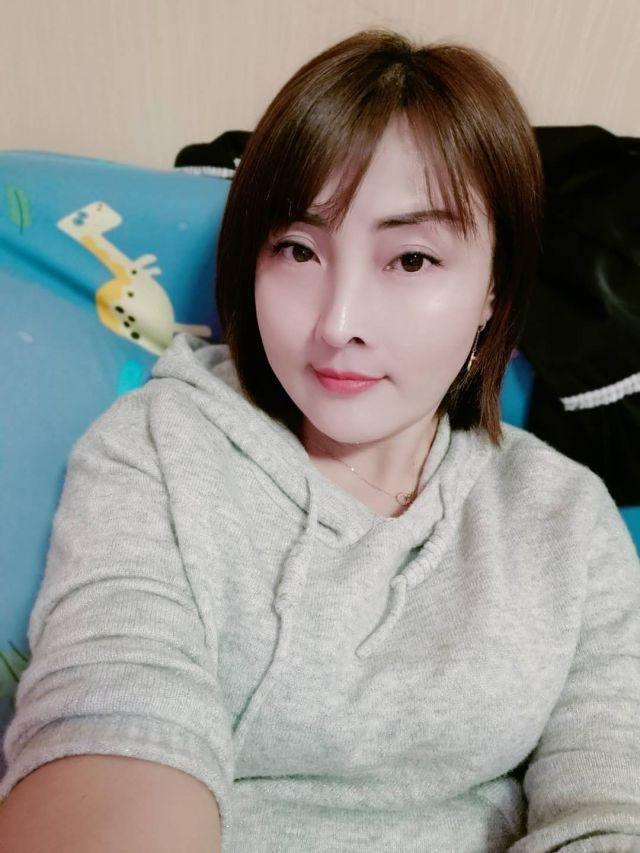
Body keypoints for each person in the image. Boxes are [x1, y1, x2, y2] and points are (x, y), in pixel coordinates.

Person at [1, 28, 639, 853]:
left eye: (411, 260)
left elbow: (611, 799)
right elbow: (114, 717)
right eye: (298, 249)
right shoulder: (161, 451)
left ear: (493, 290)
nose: (337, 323)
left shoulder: (568, 520)